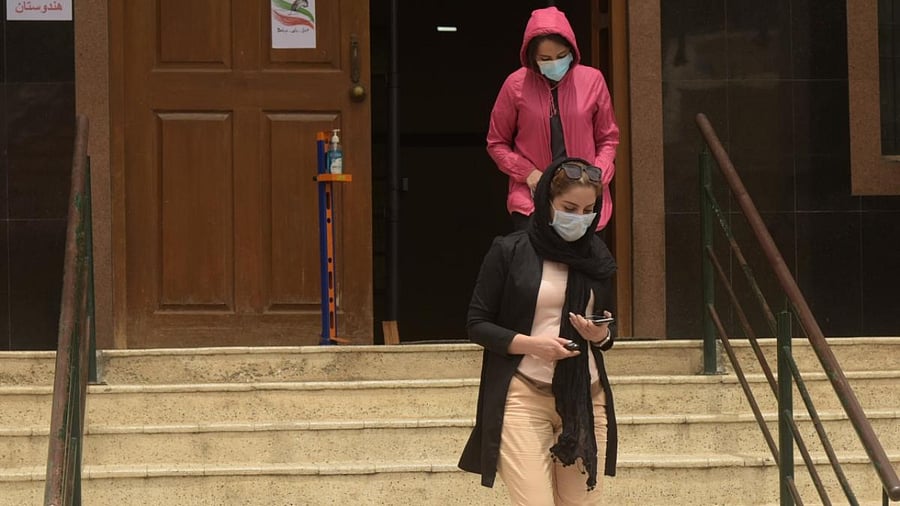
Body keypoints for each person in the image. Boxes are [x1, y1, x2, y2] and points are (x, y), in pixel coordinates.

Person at [458, 157, 618, 505]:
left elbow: (608, 327)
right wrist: (533, 345)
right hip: (525, 397)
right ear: (546, 201)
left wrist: (599, 335)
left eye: (588, 209)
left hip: (585, 401)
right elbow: (477, 323)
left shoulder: (598, 258)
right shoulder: (510, 250)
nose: (579, 217)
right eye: (569, 207)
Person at [487, 6, 619, 234]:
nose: (555, 63)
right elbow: (497, 143)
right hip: (532, 202)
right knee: (537, 269)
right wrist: (528, 173)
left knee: (586, 269)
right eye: (545, 58)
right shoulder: (515, 85)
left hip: (584, 205)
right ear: (532, 58)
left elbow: (608, 138)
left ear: (571, 51)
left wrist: (597, 175)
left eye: (560, 56)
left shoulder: (592, 80)